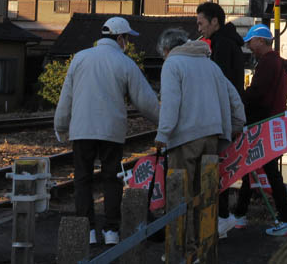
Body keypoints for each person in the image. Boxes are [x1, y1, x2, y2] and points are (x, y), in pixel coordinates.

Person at [54, 16, 160, 247]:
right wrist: (164, 123)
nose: (127, 43)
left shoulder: (80, 58)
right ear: (120, 38)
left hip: (82, 129)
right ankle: (111, 230)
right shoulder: (125, 63)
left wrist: (61, 125)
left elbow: (66, 96)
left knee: (82, 179)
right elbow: (145, 101)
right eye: (127, 38)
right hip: (111, 131)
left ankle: (87, 230)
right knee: (111, 179)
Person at [155, 28, 245, 250]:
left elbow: (170, 103)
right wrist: (237, 124)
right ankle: (203, 247)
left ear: (166, 49)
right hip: (212, 137)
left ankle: (184, 248)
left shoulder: (172, 64)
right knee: (204, 193)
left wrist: (163, 134)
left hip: (184, 138)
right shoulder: (210, 65)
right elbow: (234, 97)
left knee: (180, 194)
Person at [228, 23, 287, 237]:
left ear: (261, 40)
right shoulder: (276, 63)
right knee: (251, 168)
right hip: (271, 124)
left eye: (250, 42)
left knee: (265, 171)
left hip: (263, 125)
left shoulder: (268, 63)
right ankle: (240, 214)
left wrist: (238, 101)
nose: (249, 47)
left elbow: (258, 94)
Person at [195, 1, 246, 237]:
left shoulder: (222, 45)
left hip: (220, 116)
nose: (199, 28)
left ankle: (222, 218)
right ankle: (221, 219)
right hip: (226, 116)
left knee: (215, 170)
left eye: (201, 23)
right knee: (220, 168)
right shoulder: (227, 41)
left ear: (214, 21)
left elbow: (220, 84)